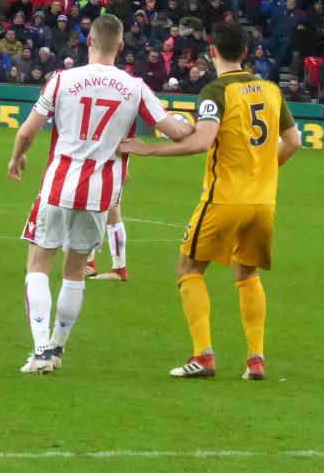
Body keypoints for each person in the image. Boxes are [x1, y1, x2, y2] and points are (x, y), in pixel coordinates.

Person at [7, 13, 193, 374]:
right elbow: (174, 131)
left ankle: (41, 348)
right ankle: (57, 350)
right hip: (102, 193)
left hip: (59, 185)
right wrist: (200, 125)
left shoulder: (62, 80)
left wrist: (16, 157)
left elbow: (29, 130)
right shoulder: (135, 86)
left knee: (38, 263)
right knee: (75, 271)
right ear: (121, 46)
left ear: (88, 41)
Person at [120, 21, 302, 381]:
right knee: (246, 274)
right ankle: (255, 360)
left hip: (224, 199)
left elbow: (202, 141)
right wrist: (260, 171)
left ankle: (203, 356)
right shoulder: (270, 90)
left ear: (212, 52)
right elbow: (293, 141)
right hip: (263, 202)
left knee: (189, 269)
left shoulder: (216, 91)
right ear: (247, 53)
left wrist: (148, 150)